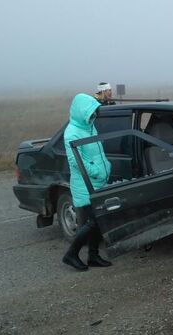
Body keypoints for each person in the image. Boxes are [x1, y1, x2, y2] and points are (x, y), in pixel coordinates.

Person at [62, 93, 113, 271]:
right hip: (86, 184)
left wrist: (107, 165)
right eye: (91, 113)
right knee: (92, 221)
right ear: (81, 112)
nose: (94, 116)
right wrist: (98, 171)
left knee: (97, 221)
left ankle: (93, 256)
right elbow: (76, 161)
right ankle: (71, 254)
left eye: (95, 112)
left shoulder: (90, 127)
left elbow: (98, 152)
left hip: (98, 181)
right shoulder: (72, 133)